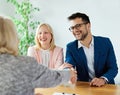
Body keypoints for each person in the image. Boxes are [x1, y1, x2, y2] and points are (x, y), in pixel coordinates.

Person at [0, 15, 77, 95]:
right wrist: (69, 73)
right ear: (12, 38)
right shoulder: (25, 63)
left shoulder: (58, 50)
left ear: (51, 35)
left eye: (46, 33)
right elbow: (50, 77)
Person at [65, 12, 118, 87]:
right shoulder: (71, 47)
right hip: (84, 87)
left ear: (88, 25)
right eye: (72, 28)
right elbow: (69, 65)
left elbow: (113, 68)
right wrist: (69, 72)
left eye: (78, 26)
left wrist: (103, 79)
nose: (75, 30)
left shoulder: (105, 42)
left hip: (105, 87)